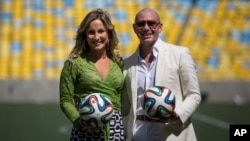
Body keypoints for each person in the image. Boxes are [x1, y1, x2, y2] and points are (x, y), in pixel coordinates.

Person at [121, 8, 201, 141]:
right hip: (137, 134)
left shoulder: (180, 54)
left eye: (151, 23)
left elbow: (194, 94)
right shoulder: (127, 64)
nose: (146, 28)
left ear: (160, 27)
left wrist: (177, 116)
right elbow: (124, 107)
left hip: (172, 134)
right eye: (141, 24)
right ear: (135, 29)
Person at [59, 8, 125, 141]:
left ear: (109, 34)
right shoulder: (73, 64)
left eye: (101, 31)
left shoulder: (118, 63)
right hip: (85, 130)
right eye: (91, 32)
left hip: (115, 129)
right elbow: (65, 100)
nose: (96, 37)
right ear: (84, 36)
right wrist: (79, 121)